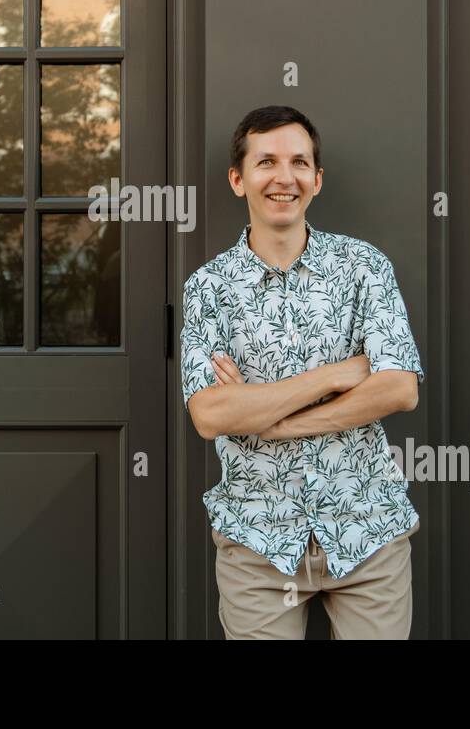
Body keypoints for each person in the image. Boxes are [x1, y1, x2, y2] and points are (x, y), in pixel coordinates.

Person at [180, 105, 424, 639]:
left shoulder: (365, 268)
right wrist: (336, 375)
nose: (283, 177)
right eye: (266, 162)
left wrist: (271, 419)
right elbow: (211, 413)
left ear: (316, 179)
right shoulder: (208, 288)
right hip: (257, 541)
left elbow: (399, 388)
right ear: (237, 179)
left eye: (298, 162)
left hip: (368, 534)